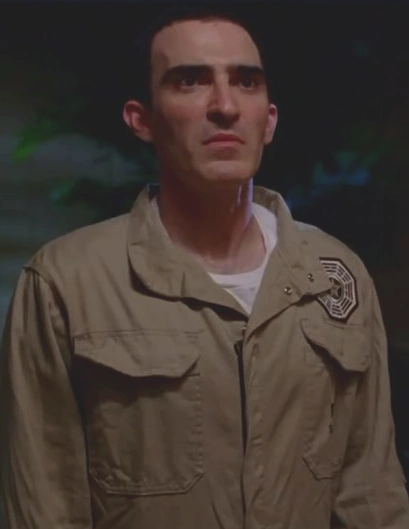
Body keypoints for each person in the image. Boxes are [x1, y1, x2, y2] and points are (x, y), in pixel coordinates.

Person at [1, 5, 408, 529]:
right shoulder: (67, 283)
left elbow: (373, 493)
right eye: (190, 81)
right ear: (142, 119)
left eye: (246, 82)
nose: (225, 106)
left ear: (269, 119)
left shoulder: (335, 275)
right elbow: (43, 503)